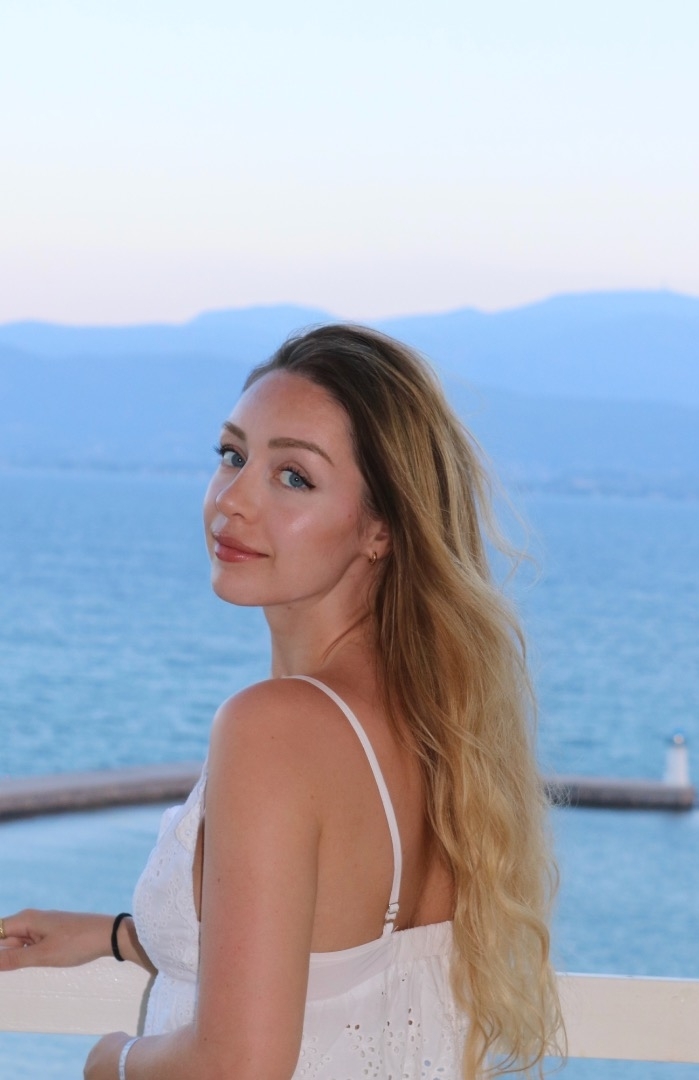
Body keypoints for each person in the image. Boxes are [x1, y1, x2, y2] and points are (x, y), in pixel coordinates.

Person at [0, 325, 562, 1078]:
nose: (233, 500)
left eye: (293, 476)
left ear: (380, 529)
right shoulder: (434, 724)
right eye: (233, 455)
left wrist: (114, 1061)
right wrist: (125, 937)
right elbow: (331, 949)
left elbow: (240, 1064)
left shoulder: (276, 729)